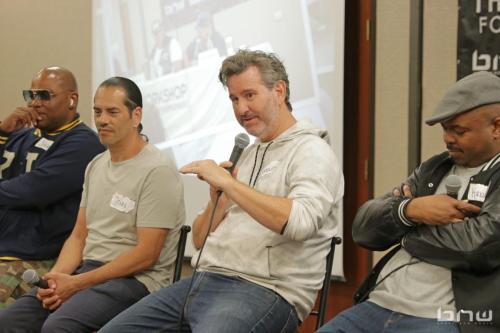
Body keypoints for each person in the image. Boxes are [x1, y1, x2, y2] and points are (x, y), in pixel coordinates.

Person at [99, 49, 344, 333]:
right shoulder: (250, 153)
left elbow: (301, 223)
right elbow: (200, 240)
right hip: (203, 281)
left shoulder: (313, 151)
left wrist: (231, 185)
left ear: (279, 91)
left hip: (265, 290)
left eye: (249, 95)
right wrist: (219, 201)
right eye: (234, 99)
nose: (241, 109)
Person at [318, 71, 500, 333]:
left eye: (459, 131)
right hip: (378, 304)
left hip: (442, 317)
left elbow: (477, 247)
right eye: (445, 129)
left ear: (496, 126)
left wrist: (405, 234)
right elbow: (364, 228)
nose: (448, 139)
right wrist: (412, 209)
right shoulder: (434, 168)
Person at [0, 77, 185, 332]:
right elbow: (78, 236)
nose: (102, 120)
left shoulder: (158, 169)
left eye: (112, 112)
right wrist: (57, 278)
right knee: (10, 322)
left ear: (136, 115)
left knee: (58, 327)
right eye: (97, 112)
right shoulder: (96, 164)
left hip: (135, 280)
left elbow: (146, 254)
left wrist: (77, 283)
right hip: (88, 272)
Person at [0, 67, 104, 308]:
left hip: (33, 258)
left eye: (45, 95)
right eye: (31, 95)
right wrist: (2, 133)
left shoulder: (83, 143)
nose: (36, 103)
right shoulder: (20, 134)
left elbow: (30, 192)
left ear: (71, 99)